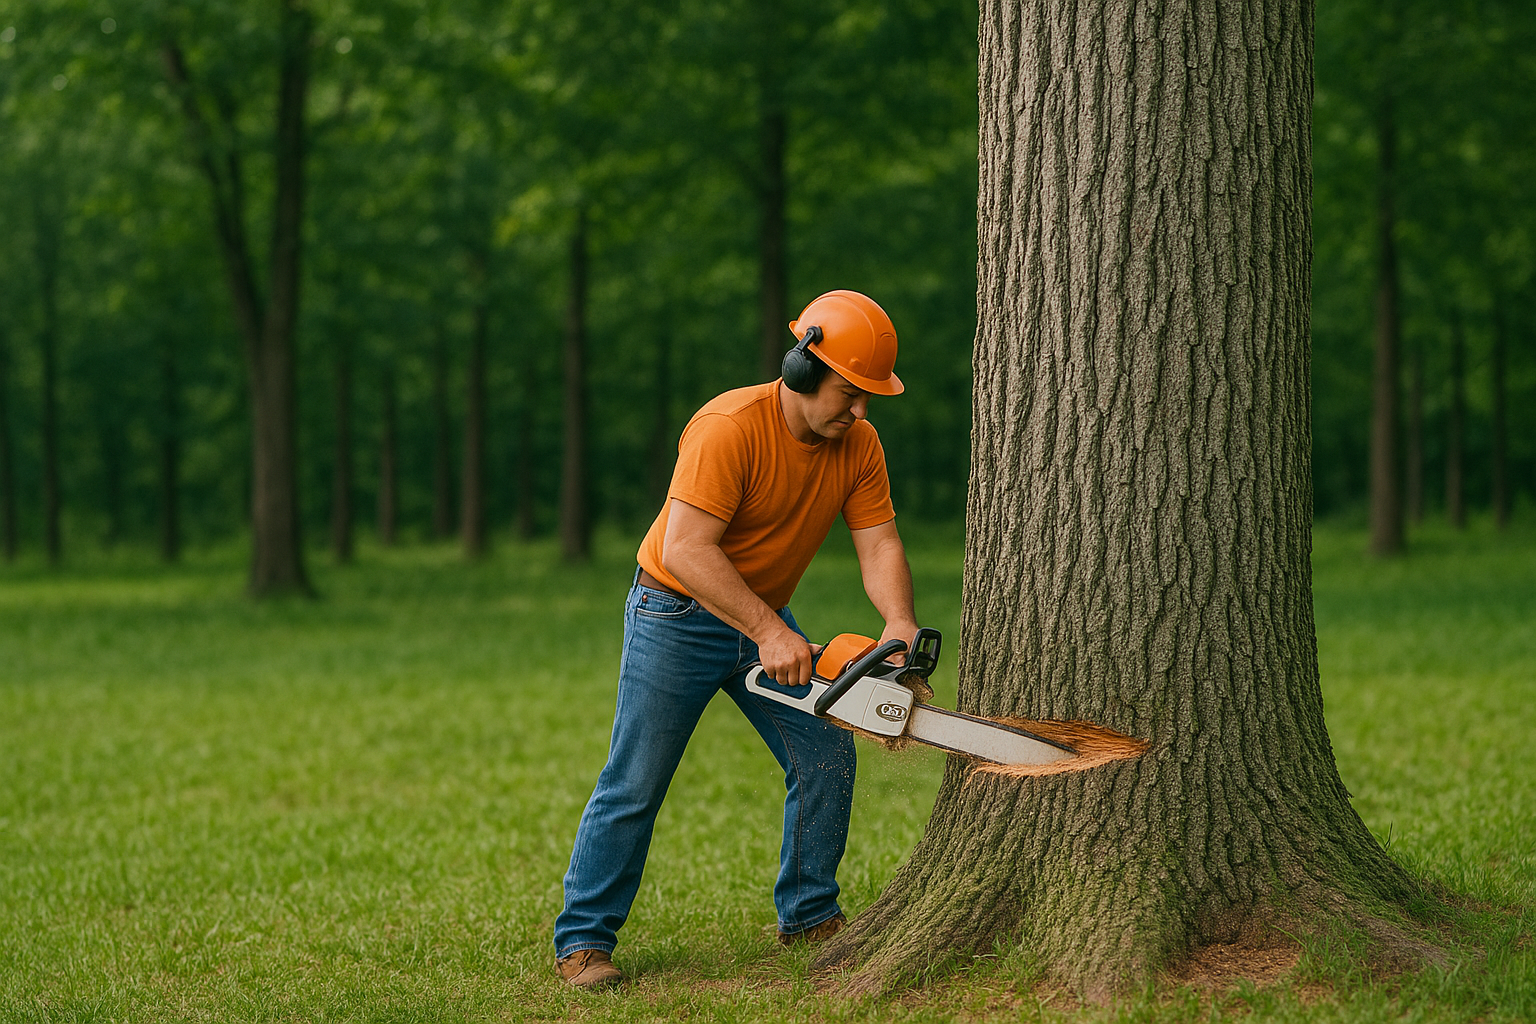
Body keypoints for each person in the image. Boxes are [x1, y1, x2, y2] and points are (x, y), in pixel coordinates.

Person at [553, 290, 921, 988]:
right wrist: (766, 629)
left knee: (824, 752)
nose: (860, 411)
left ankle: (809, 915)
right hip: (677, 615)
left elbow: (879, 545)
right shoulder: (730, 427)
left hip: (766, 620)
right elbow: (689, 549)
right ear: (805, 367)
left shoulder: (859, 446)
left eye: (871, 398)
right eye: (850, 392)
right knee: (636, 780)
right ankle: (583, 942)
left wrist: (898, 624)